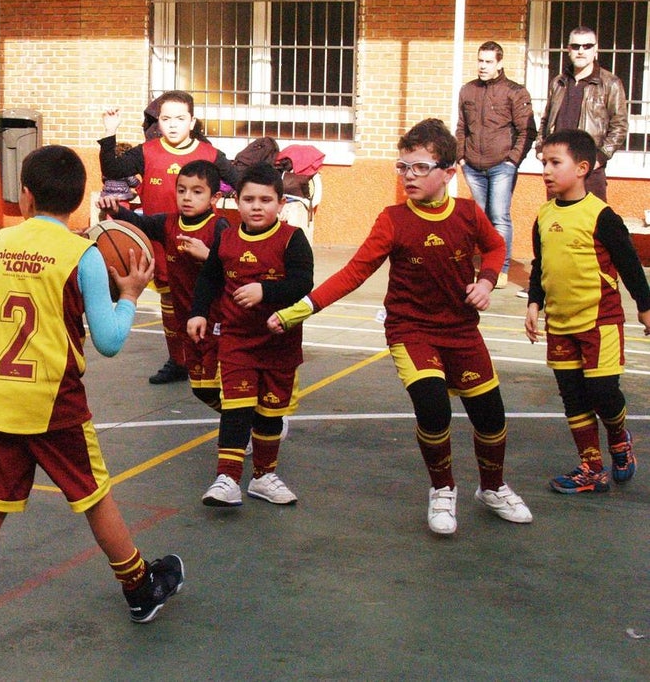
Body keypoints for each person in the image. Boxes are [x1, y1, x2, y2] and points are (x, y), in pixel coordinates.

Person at [0, 145, 183, 654]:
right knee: (94, 496)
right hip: (54, 401)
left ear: (24, 197)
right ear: (78, 204)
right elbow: (111, 341)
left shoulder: (3, 243)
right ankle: (140, 589)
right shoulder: (85, 255)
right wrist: (131, 295)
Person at [269, 119, 533, 535]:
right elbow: (353, 273)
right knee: (433, 407)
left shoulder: (466, 213)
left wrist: (486, 280)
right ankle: (443, 489)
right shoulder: (392, 220)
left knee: (490, 415)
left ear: (448, 173)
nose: (408, 175)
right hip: (412, 331)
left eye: (419, 167)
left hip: (462, 331)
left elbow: (496, 245)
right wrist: (298, 309)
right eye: (402, 166)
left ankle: (492, 487)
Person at [523, 129, 650, 493]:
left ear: (582, 168)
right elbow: (540, 265)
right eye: (542, 162)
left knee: (603, 393)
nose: (545, 170)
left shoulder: (602, 216)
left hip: (600, 322)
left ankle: (619, 439)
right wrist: (535, 303)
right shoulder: (544, 216)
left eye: (554, 162)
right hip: (560, 324)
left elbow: (629, 264)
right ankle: (592, 469)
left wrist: (645, 307)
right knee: (573, 398)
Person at [185, 163, 313, 507]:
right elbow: (209, 279)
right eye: (249, 199)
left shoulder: (292, 239)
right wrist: (198, 312)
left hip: (279, 344)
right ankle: (226, 479)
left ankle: (263, 477)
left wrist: (265, 290)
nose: (257, 206)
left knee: (270, 415)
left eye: (266, 200)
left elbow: (303, 283)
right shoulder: (226, 239)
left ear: (281, 203)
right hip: (237, 341)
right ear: (236, 202)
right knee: (236, 409)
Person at [99, 91, 239, 384]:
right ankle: (179, 360)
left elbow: (239, 180)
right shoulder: (147, 151)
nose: (172, 125)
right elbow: (113, 169)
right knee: (171, 306)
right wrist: (110, 133)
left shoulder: (209, 154)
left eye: (179, 118)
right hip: (163, 237)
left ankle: (215, 358)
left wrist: (272, 200)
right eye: (165, 119)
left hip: (203, 240)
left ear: (192, 121)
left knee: (208, 302)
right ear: (158, 122)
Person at [97, 159, 230, 411]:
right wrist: (116, 209)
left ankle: (248, 426)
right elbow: (140, 223)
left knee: (225, 385)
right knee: (202, 389)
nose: (187, 197)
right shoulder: (168, 223)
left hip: (217, 321)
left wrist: (209, 256)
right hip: (187, 321)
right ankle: (249, 421)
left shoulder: (219, 227)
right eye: (182, 190)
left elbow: (236, 270)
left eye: (197, 191)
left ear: (215, 198)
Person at [455, 41, 538, 289]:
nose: (483, 66)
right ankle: (473, 265)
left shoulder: (515, 92)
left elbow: (527, 131)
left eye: (488, 61)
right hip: (472, 165)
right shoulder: (467, 90)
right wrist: (461, 157)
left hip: (502, 165)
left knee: (499, 216)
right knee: (477, 217)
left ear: (500, 63)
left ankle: (499, 268)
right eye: (480, 60)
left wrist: (513, 161)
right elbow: (461, 128)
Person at [537, 26, 628, 201]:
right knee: (557, 222)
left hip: (589, 170)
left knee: (591, 224)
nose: (581, 51)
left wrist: (599, 158)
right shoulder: (558, 82)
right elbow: (546, 120)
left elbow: (619, 126)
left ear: (595, 50)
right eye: (576, 46)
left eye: (587, 46)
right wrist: (541, 149)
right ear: (569, 49)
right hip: (558, 168)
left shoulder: (610, 83)